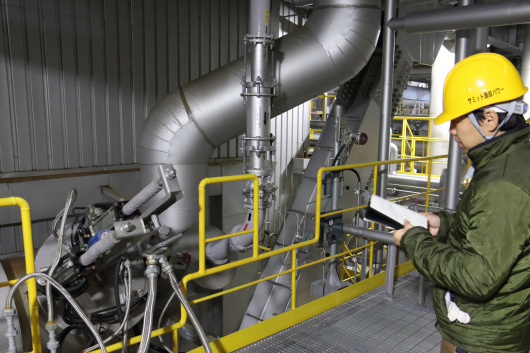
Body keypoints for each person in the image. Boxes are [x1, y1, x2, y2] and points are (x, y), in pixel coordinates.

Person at [393, 52, 530, 353]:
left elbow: (476, 277)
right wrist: (444, 224)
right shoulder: (512, 159)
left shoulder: (502, 184)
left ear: (490, 120)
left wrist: (414, 240)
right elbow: (495, 231)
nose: (451, 129)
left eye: (457, 119)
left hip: (484, 337)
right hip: (494, 325)